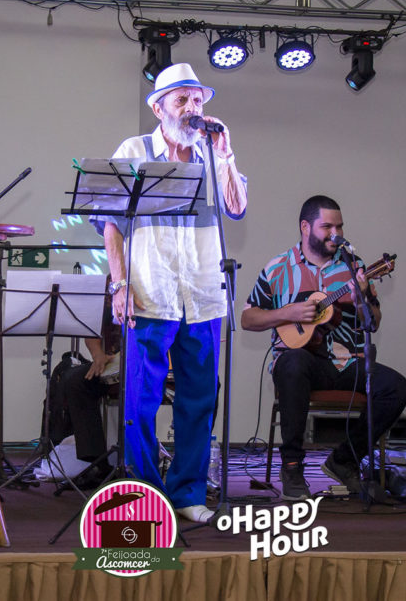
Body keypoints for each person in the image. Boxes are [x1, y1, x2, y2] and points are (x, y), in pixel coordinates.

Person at [93, 63, 247, 523]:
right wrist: (120, 285)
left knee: (199, 399)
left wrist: (225, 153)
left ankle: (188, 494)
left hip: (203, 294)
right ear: (159, 109)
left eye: (198, 99)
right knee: (140, 401)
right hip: (150, 292)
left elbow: (237, 207)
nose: (192, 108)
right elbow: (110, 224)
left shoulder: (211, 154)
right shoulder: (135, 150)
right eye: (182, 100)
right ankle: (146, 495)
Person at [241, 195, 406, 500]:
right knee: (293, 363)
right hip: (300, 363)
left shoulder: (355, 268)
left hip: (347, 361)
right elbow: (247, 318)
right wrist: (288, 313)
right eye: (327, 227)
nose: (336, 234)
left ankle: (344, 459)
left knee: (397, 388)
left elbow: (373, 324)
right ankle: (292, 467)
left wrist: (361, 298)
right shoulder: (277, 268)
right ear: (305, 227)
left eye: (340, 227)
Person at [47, 337, 118, 491]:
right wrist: (98, 355)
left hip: (142, 360)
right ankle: (99, 465)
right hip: (113, 363)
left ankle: (140, 464)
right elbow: (92, 333)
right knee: (75, 381)